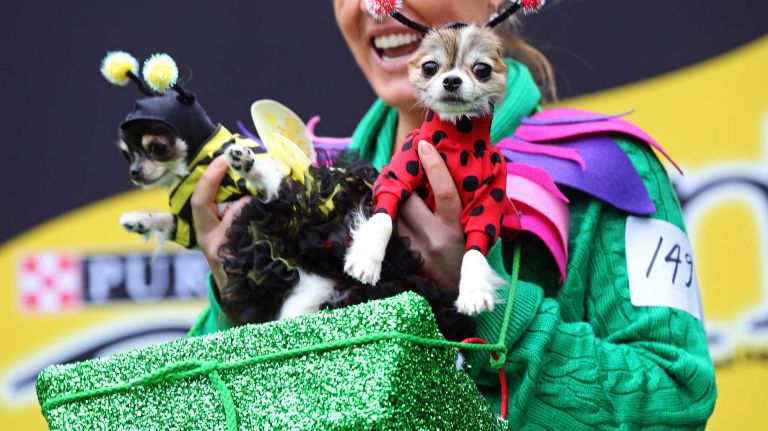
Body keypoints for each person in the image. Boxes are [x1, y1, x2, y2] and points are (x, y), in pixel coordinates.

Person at [188, 0, 717, 428]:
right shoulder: (308, 191)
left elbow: (677, 398)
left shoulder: (606, 171)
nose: (376, 8)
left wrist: (486, 308)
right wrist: (242, 296)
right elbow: (210, 412)